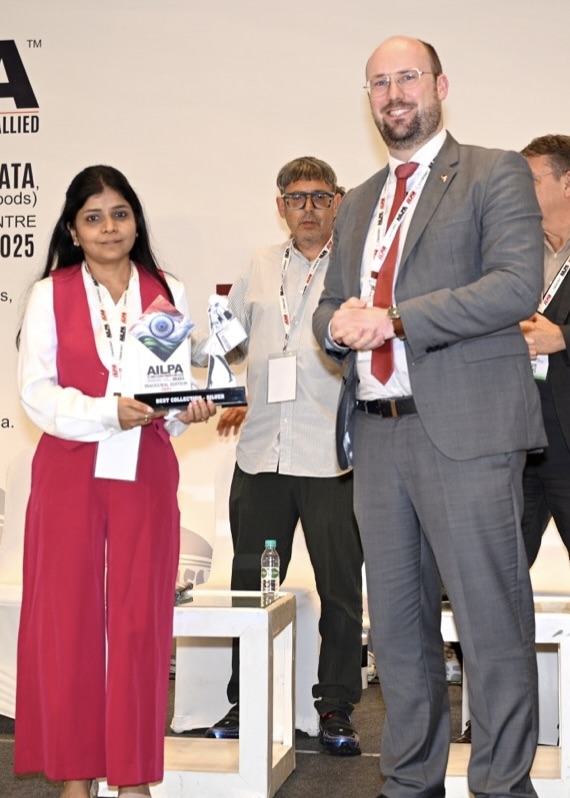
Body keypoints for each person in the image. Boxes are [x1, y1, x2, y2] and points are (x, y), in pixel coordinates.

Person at [312, 36, 546, 798]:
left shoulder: (493, 171)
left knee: (489, 626)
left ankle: (501, 785)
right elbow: (330, 305)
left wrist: (395, 319)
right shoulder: (358, 201)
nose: (393, 94)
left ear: (440, 85)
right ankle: (410, 781)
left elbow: (514, 285)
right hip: (377, 437)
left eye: (407, 77)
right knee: (398, 632)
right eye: (378, 83)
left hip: (468, 434)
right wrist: (333, 324)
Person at [14, 165, 216, 798]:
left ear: (136, 221)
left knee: (139, 623)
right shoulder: (49, 294)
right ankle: (75, 777)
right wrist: (107, 412)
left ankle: (133, 779)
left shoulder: (167, 289)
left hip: (144, 468)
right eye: (94, 217)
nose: (109, 228)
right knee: (68, 620)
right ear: (73, 230)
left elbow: (169, 392)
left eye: (120, 214)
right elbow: (36, 392)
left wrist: (187, 409)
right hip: (70, 467)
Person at [206, 156, 364, 756]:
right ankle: (246, 700)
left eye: (320, 197)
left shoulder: (356, 266)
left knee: (340, 590)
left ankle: (337, 707)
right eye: (296, 198)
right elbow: (226, 344)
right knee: (252, 585)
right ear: (280, 206)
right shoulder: (258, 265)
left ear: (338, 202)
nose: (308, 209)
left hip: (331, 457)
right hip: (263, 456)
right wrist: (189, 359)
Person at [519, 135, 570, 565]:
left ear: (567, 183)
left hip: (566, 438)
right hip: (516, 439)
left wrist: (564, 337)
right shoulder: (512, 250)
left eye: (532, 179)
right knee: (499, 570)